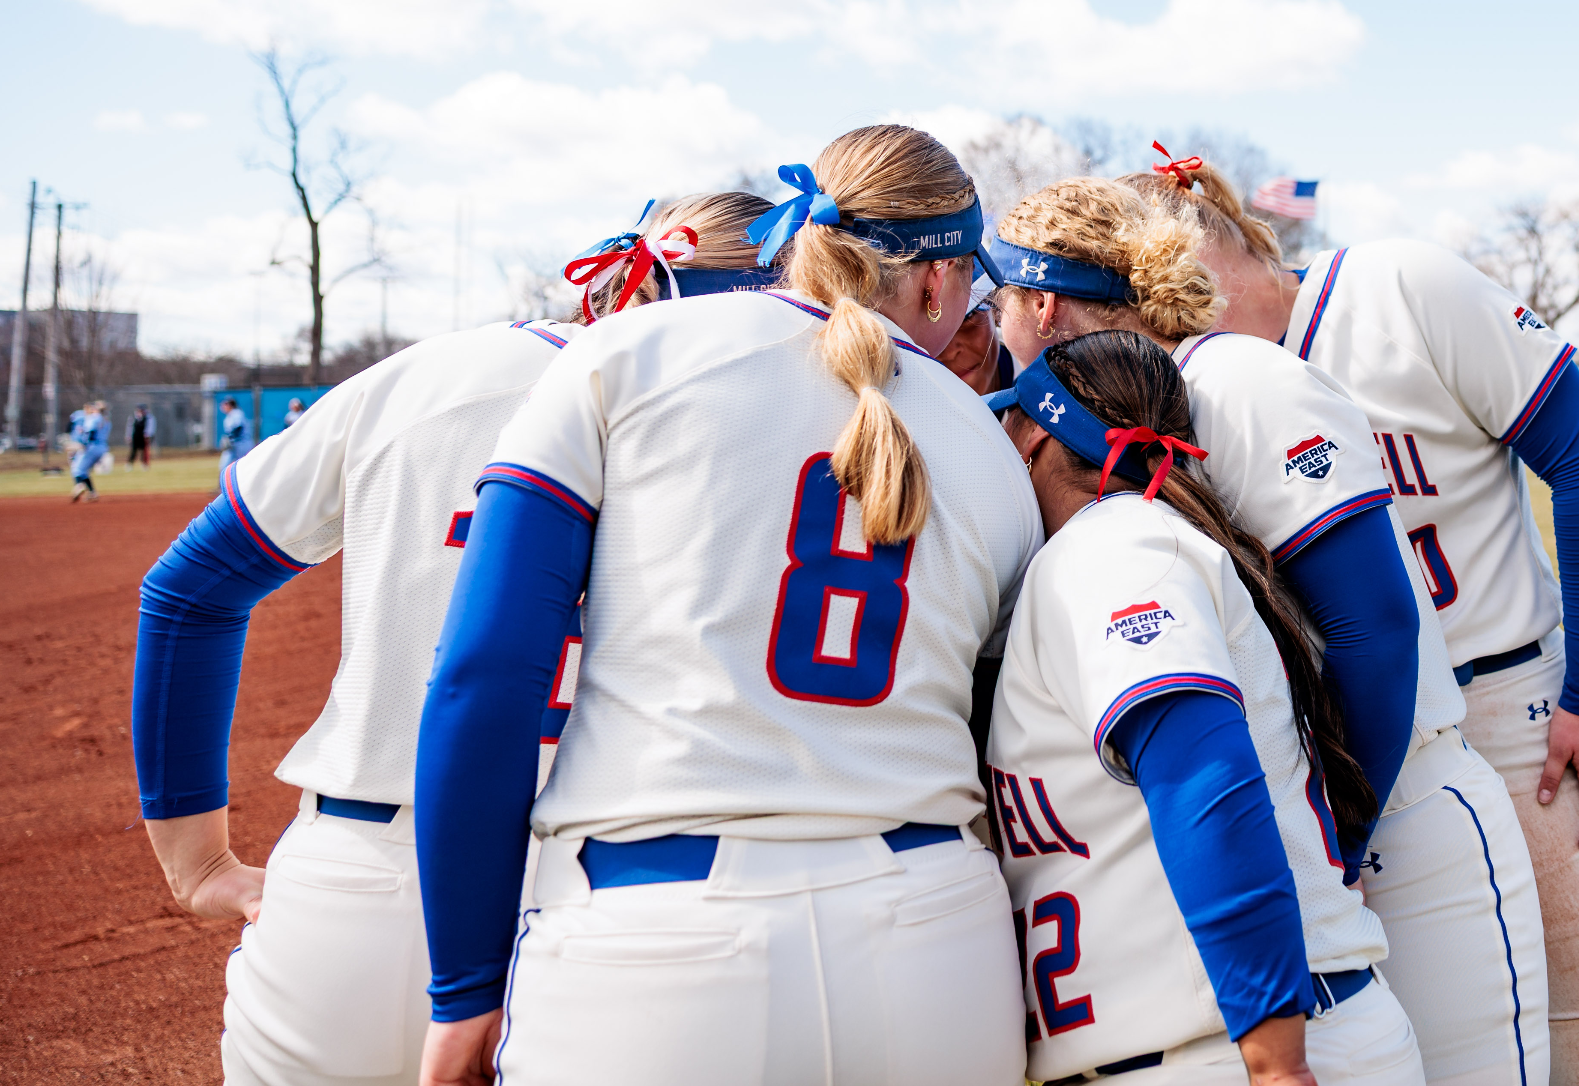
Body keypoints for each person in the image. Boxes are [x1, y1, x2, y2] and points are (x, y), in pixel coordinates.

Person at [413, 126, 1037, 1086]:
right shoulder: (992, 449)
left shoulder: (626, 353)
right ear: (934, 282)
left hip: (659, 938)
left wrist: (462, 989)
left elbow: (485, 677)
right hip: (937, 939)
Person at [129, 191, 778, 1086]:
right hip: (615, 907)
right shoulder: (778, 417)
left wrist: (198, 862)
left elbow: (189, 590)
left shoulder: (427, 374)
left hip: (355, 890)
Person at [994, 173, 1550, 1086]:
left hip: (1394, 808)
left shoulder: (1231, 373)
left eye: (1002, 298)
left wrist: (1340, 836)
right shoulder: (1145, 404)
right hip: (1305, 832)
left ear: (1041, 303)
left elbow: (1372, 629)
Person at [1139, 159, 1579, 1086]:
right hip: (1349, 734)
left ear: (1202, 250)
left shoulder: (1399, 284)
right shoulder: (1197, 382)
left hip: (1500, 701)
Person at [986, 330, 1424, 1086]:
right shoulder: (1146, 542)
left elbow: (1205, 782)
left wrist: (1276, 1062)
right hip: (1241, 1033)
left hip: (1232, 1047)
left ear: (1034, 439)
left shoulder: (1115, 548)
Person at [69, 400, 109, 502]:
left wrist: (84, 444)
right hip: (102, 447)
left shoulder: (95, 418)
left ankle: (79, 485)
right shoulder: (106, 420)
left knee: (76, 468)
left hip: (92, 447)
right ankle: (92, 493)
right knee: (83, 470)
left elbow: (90, 433)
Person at [217, 397, 251, 486]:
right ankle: (221, 487)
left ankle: (247, 485)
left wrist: (229, 438)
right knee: (224, 464)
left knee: (244, 465)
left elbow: (238, 428)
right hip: (233, 444)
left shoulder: (237, 413)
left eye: (225, 404)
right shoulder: (230, 415)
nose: (223, 407)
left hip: (242, 444)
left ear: (230, 405)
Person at [128, 403, 156, 469]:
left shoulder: (149, 417)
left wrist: (148, 435)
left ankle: (145, 464)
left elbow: (150, 427)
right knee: (134, 450)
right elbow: (130, 427)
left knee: (144, 451)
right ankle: (130, 464)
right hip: (135, 436)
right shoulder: (133, 417)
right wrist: (128, 435)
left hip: (144, 437)